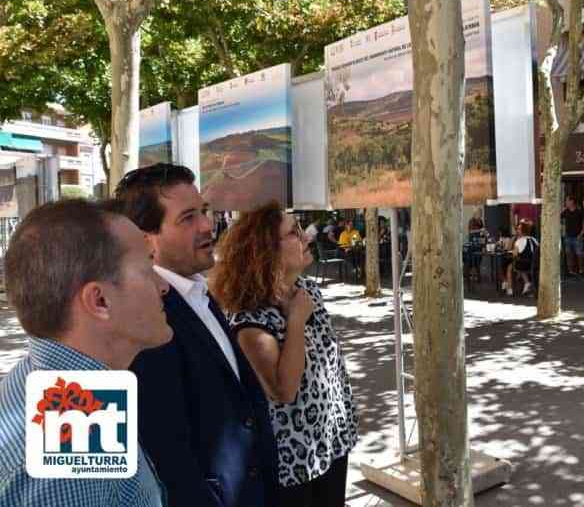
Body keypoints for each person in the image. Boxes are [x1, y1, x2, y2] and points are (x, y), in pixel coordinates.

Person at [114, 163, 278, 507]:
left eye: (204, 211)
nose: (207, 225)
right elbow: (168, 454)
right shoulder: (146, 320)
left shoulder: (199, 292)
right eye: (187, 217)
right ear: (147, 239)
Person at [0, 199, 170, 506]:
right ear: (100, 301)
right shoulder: (71, 440)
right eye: (147, 268)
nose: (163, 285)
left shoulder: (54, 387)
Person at [210, 203, 359, 506]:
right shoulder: (250, 319)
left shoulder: (306, 290)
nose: (307, 237)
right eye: (294, 232)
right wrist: (295, 321)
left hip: (331, 441)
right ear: (266, 251)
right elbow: (285, 389)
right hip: (294, 462)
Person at [503, 220, 538, 296]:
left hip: (522, 264)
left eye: (519, 229)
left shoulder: (519, 241)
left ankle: (509, 289)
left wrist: (511, 252)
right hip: (534, 264)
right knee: (520, 266)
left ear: (523, 231)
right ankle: (527, 283)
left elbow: (515, 254)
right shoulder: (534, 240)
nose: (517, 231)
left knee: (509, 267)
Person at [561, 197, 584, 275]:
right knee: (568, 254)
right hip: (568, 236)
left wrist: (581, 234)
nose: (565, 202)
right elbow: (559, 218)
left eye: (567, 201)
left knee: (579, 254)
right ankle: (570, 271)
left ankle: (581, 270)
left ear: (572, 201)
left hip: (577, 236)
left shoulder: (579, 212)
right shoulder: (565, 211)